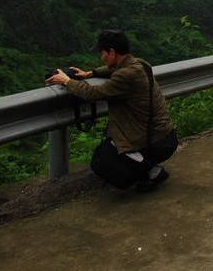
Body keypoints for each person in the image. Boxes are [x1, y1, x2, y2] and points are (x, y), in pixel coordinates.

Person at [46, 29, 177, 191]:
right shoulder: (140, 64)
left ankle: (149, 173)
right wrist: (90, 73)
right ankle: (147, 169)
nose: (102, 57)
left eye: (103, 53)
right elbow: (113, 69)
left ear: (112, 52)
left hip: (156, 142)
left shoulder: (125, 76)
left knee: (102, 161)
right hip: (165, 136)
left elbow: (93, 93)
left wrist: (67, 81)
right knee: (111, 146)